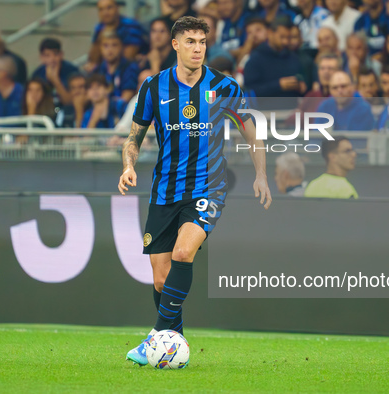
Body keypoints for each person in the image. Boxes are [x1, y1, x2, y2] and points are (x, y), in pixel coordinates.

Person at [118, 16, 271, 366]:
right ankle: (176, 346)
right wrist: (128, 166)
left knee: (182, 255)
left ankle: (155, 339)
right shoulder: (154, 87)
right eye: (190, 41)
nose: (198, 48)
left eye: (202, 41)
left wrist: (261, 174)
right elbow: (134, 137)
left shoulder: (225, 87)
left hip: (208, 187)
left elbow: (252, 132)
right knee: (160, 281)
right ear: (175, 45)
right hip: (164, 191)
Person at [244, 18, 306, 97]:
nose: (285, 42)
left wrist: (300, 84)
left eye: (288, 38)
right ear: (270, 33)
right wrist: (278, 86)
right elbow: (250, 91)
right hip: (265, 108)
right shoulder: (255, 60)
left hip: (292, 107)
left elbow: (301, 79)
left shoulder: (294, 58)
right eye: (282, 37)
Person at [95, 31, 139, 115]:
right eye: (105, 45)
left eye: (114, 45)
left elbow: (127, 96)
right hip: (101, 112)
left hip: (123, 112)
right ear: (100, 48)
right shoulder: (98, 70)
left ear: (121, 47)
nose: (110, 49)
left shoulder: (130, 68)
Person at [31, 38, 80, 109]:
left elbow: (70, 102)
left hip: (68, 112)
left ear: (61, 55)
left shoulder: (72, 71)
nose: (52, 59)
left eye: (56, 54)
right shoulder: (37, 75)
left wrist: (55, 80)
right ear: (41, 58)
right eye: (47, 55)